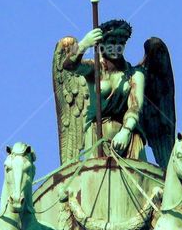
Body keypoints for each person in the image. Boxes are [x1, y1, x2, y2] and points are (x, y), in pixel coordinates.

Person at [61, 19, 147, 160]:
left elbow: (135, 107)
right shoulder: (94, 69)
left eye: (121, 43)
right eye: (111, 42)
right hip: (97, 133)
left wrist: (125, 131)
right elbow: (69, 65)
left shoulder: (135, 74)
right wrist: (83, 44)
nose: (116, 47)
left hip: (128, 133)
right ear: (102, 44)